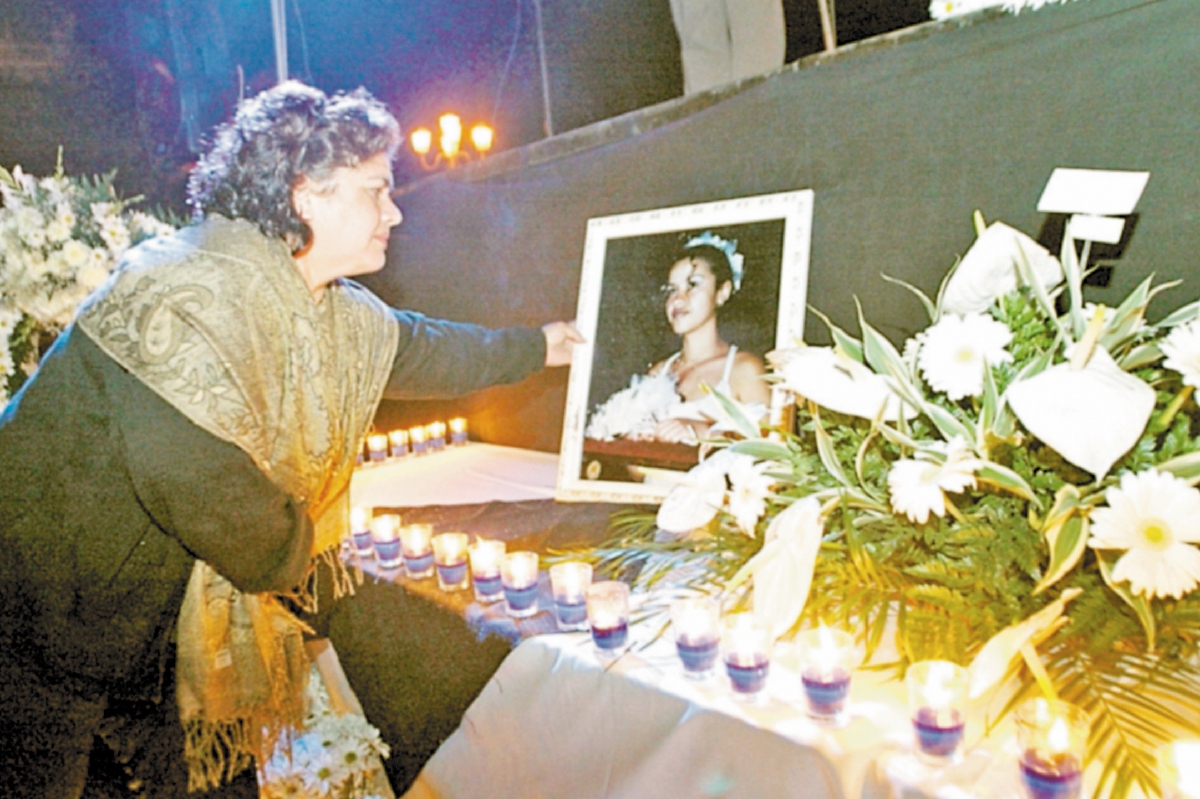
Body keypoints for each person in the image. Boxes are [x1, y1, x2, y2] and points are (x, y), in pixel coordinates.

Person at [0, 81, 581, 798]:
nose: (395, 211)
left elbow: (420, 348)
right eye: (377, 190)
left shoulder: (325, 310)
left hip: (140, 640)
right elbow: (218, 501)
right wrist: (302, 554)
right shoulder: (184, 294)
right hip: (37, 628)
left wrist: (538, 347)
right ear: (306, 192)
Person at [584, 232, 768, 446]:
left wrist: (706, 431)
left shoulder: (744, 369)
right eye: (672, 290)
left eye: (693, 285)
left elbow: (774, 448)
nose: (678, 299)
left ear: (722, 292)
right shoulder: (659, 372)